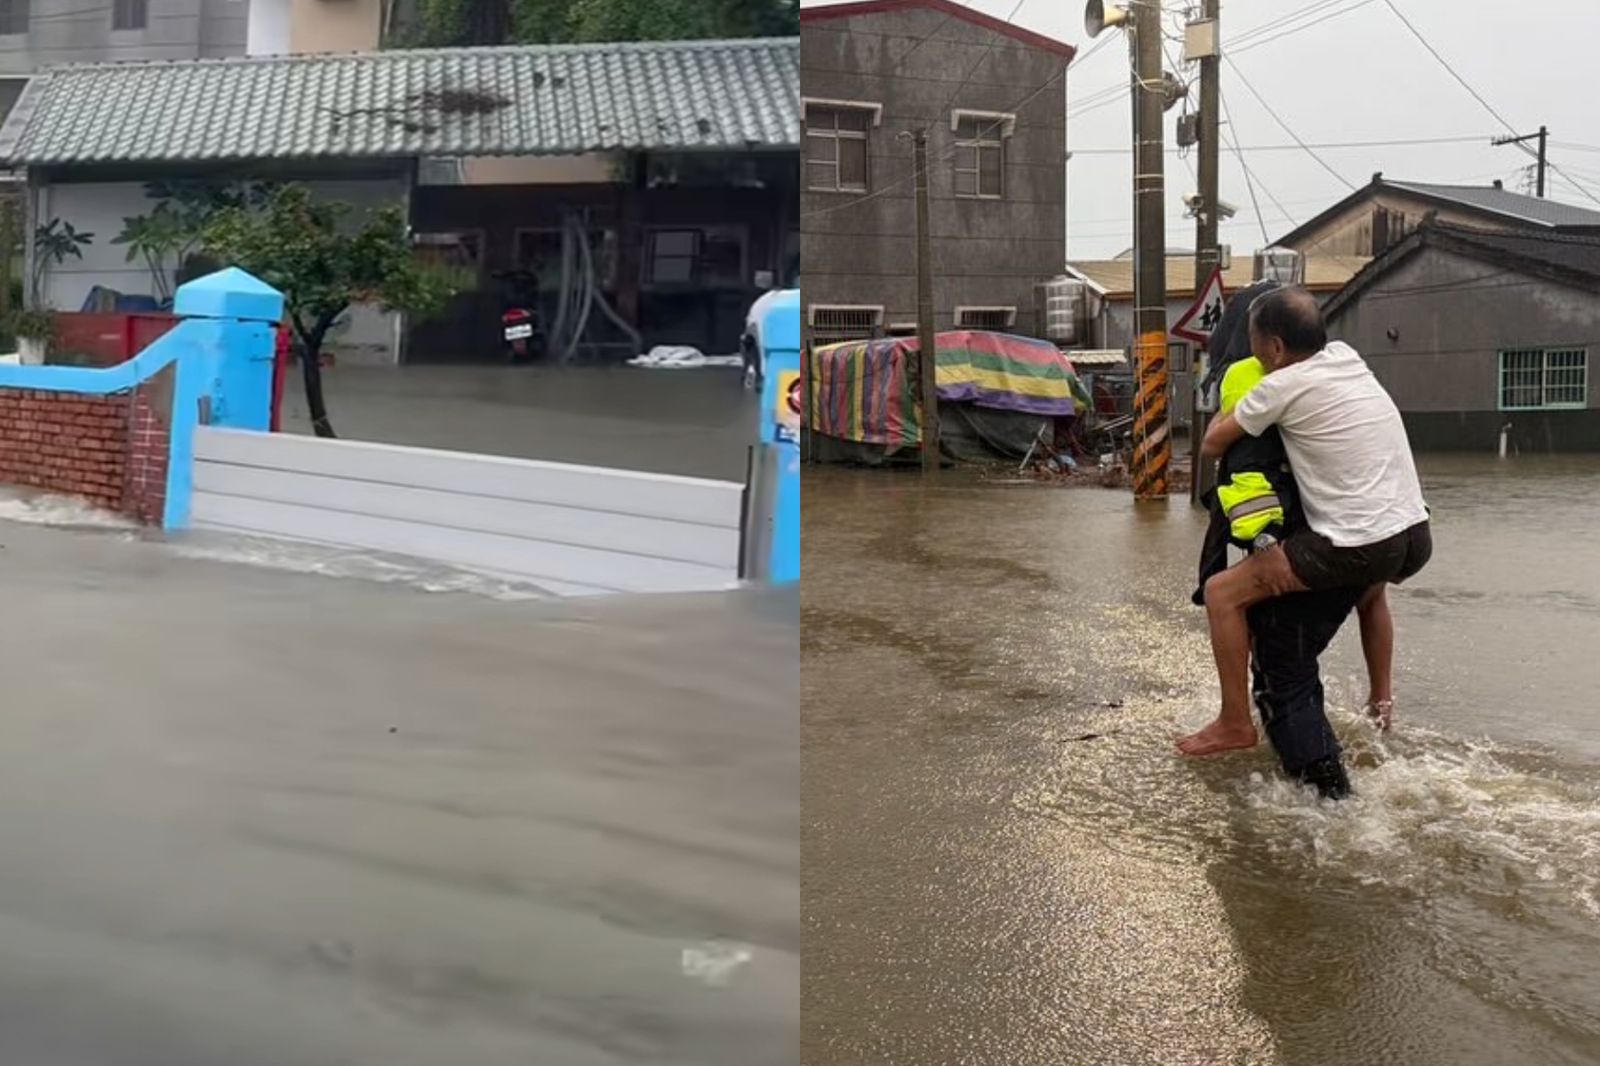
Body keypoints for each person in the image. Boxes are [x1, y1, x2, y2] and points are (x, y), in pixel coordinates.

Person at [1180, 286, 1431, 757]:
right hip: (1412, 534)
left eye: (1257, 344)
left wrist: (1244, 394)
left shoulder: (1278, 384)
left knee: (1222, 593)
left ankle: (1234, 721)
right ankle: (1381, 702)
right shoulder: (1348, 358)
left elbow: (1214, 442)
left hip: (1356, 544)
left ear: (1274, 347)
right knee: (1370, 588)